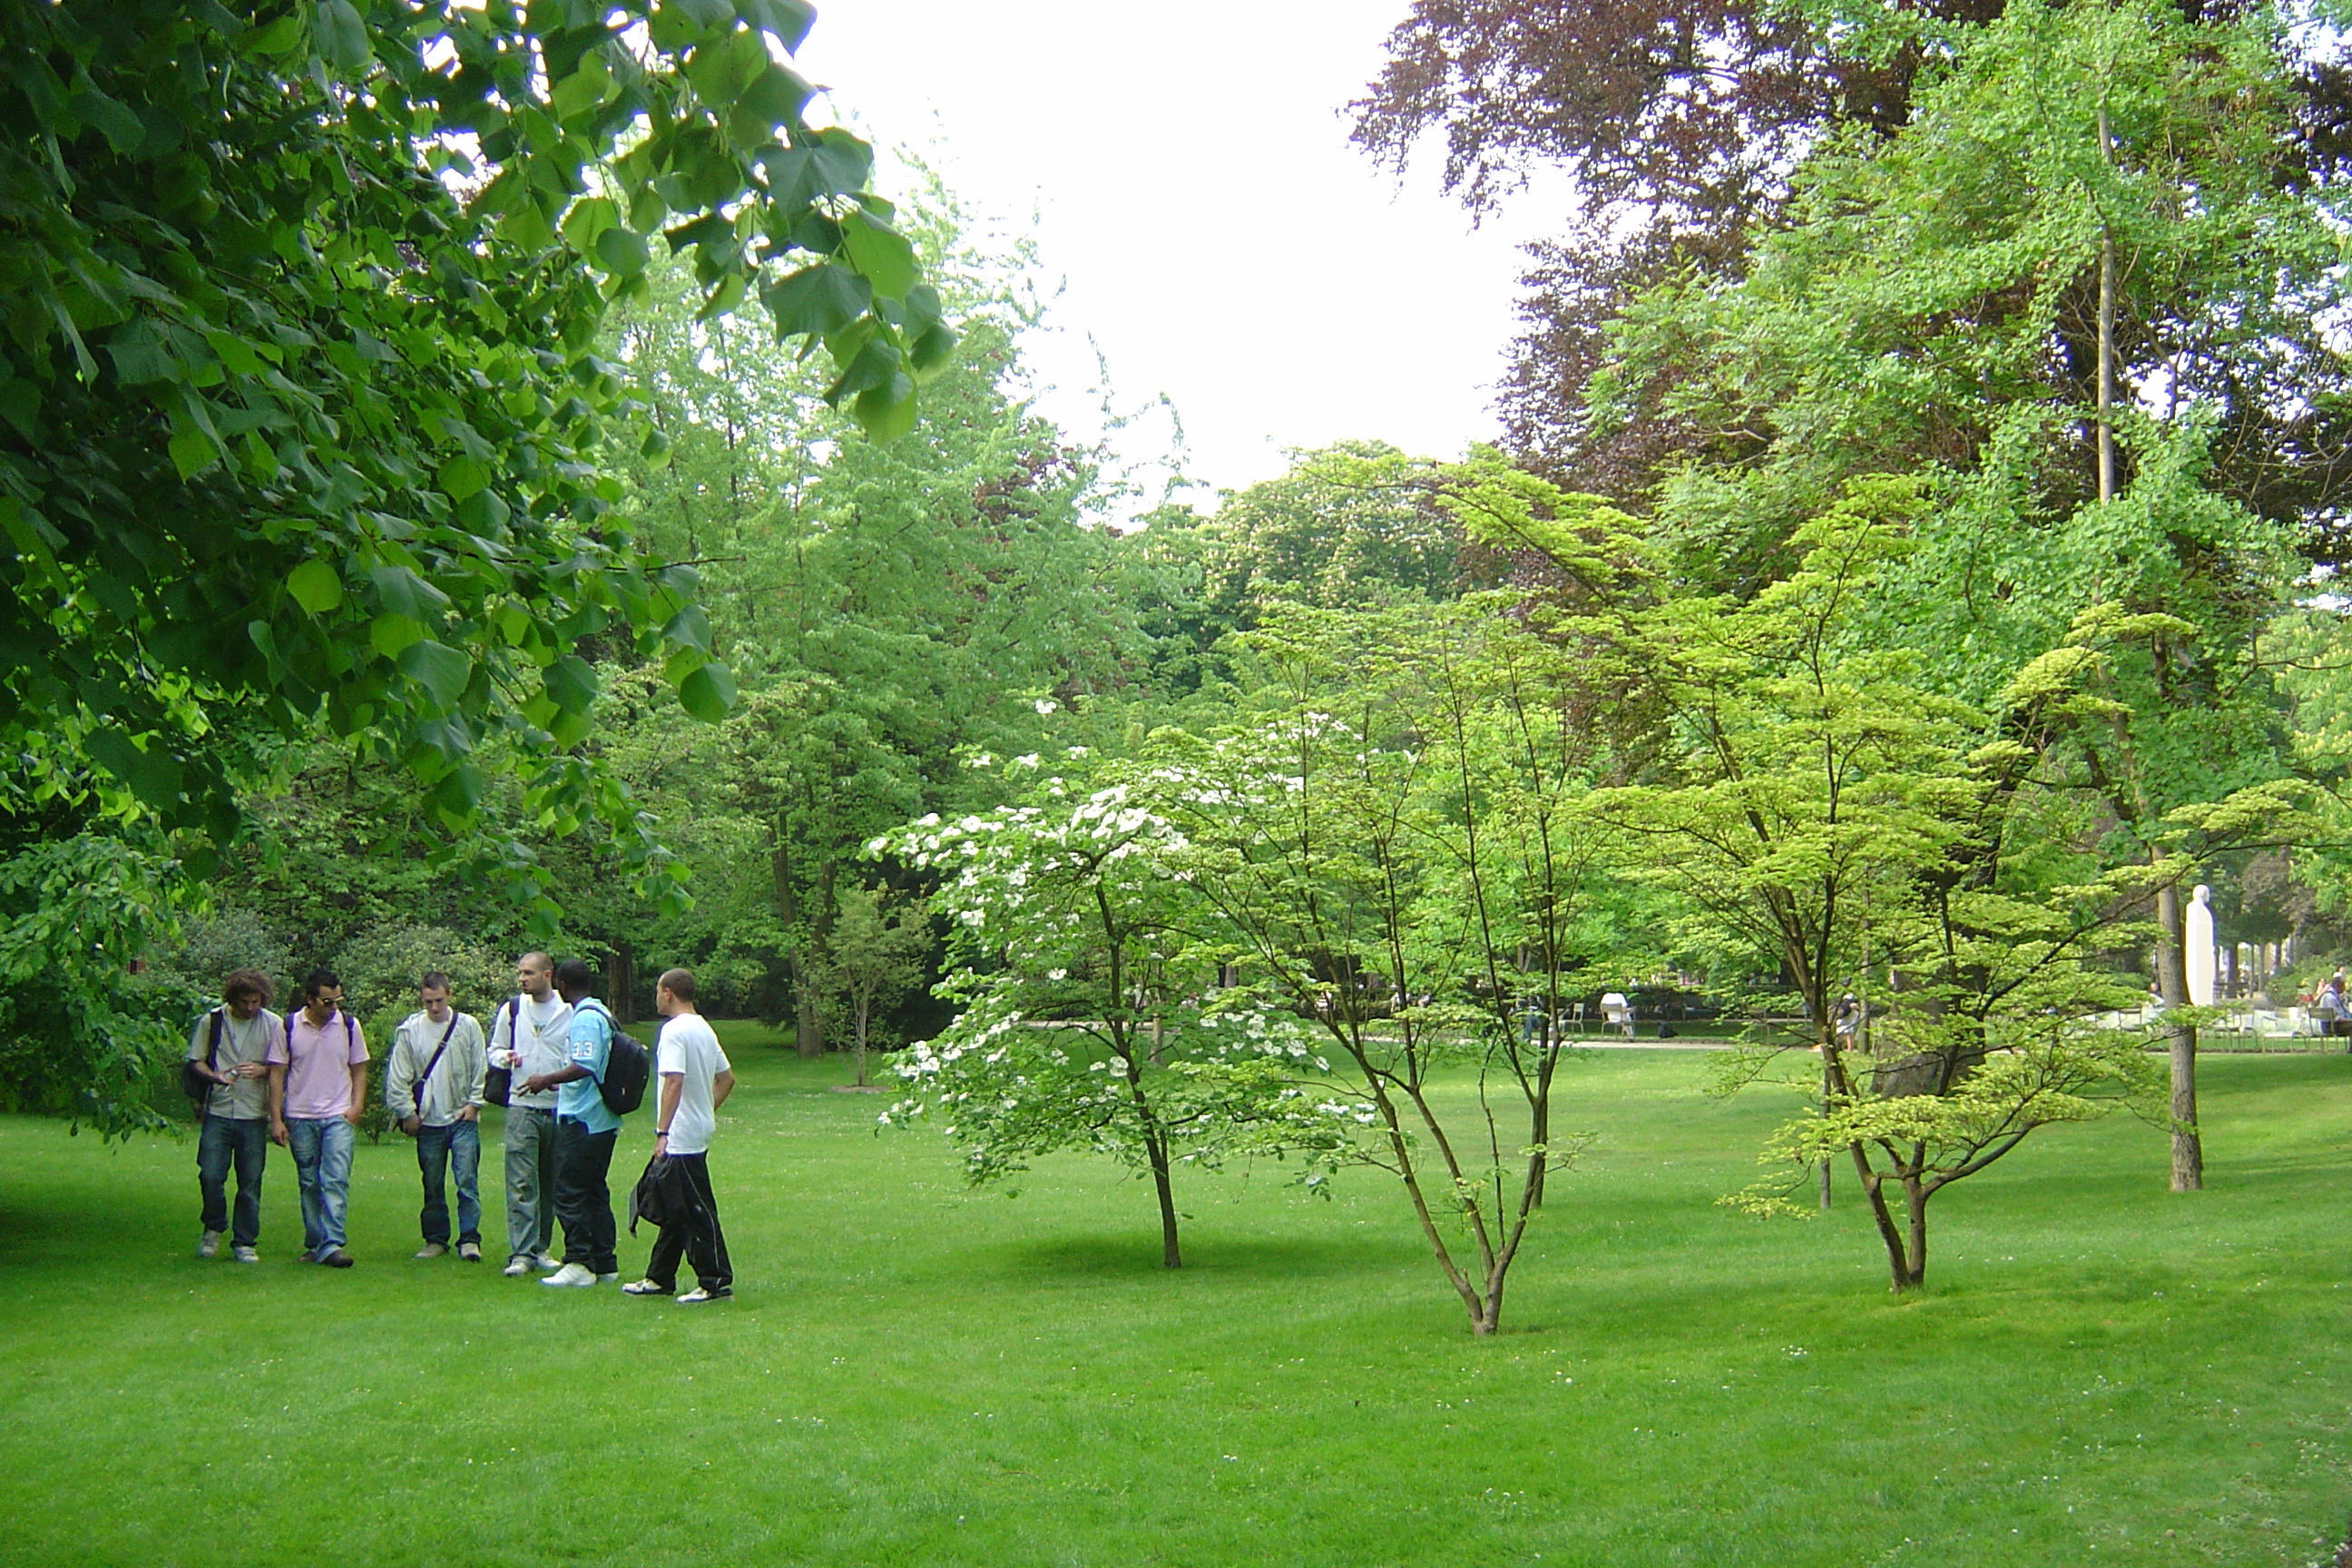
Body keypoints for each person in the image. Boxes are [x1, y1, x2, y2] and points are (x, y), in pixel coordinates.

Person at [623, 968, 736, 1304]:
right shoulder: (703, 1028)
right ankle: (659, 1277)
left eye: (658, 990)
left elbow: (673, 1081)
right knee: (674, 1205)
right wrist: (705, 1109)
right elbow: (727, 1079)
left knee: (693, 1209)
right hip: (696, 1128)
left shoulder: (674, 1031)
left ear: (669, 992)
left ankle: (715, 1281)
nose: (656, 997)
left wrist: (663, 1132)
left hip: (681, 1135)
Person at [525, 957, 622, 1288]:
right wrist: (560, 1081)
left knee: (569, 1191)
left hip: (583, 1118)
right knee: (595, 1190)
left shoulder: (583, 1019)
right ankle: (604, 1262)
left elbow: (584, 1064)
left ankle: (579, 1260)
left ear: (562, 984)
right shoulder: (603, 1013)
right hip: (602, 1118)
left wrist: (545, 1078)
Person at [267, 968, 369, 1268]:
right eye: (328, 1002)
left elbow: (360, 1068)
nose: (334, 1007)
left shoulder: (349, 1025)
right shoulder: (288, 1027)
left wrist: (356, 1107)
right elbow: (276, 1073)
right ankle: (316, 1243)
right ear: (310, 1000)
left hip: (338, 1114)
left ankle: (333, 1243)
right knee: (309, 1181)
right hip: (300, 1115)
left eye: (337, 1000)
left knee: (335, 1179)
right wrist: (276, 1118)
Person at [385, 971, 489, 1261]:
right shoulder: (410, 1031)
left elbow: (479, 1066)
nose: (434, 1007)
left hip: (462, 1118)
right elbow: (398, 1076)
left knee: (467, 1181)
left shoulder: (467, 1027)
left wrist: (474, 1104)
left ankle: (469, 1239)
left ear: (449, 996)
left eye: (439, 1001)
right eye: (428, 1001)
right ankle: (435, 1239)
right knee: (432, 1183)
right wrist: (407, 1112)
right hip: (428, 1120)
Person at [486, 951, 573, 1277]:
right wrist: (505, 1057)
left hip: (557, 1107)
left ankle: (541, 1247)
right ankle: (521, 1253)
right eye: (520, 973)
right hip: (521, 1106)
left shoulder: (568, 1010)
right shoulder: (512, 1009)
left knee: (550, 1181)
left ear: (547, 975)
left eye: (529, 973)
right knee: (521, 1181)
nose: (522, 978)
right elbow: (492, 1051)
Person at [189, 968, 281, 1262]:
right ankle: (213, 1226)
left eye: (256, 1002)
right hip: (218, 1109)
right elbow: (195, 1060)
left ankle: (245, 1242)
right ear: (233, 999)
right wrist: (214, 1076)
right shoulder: (212, 1020)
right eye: (245, 1002)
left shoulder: (273, 1025)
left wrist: (262, 1070)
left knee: (250, 1182)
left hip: (254, 1113)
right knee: (211, 1175)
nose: (251, 1008)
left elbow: (282, 1066)